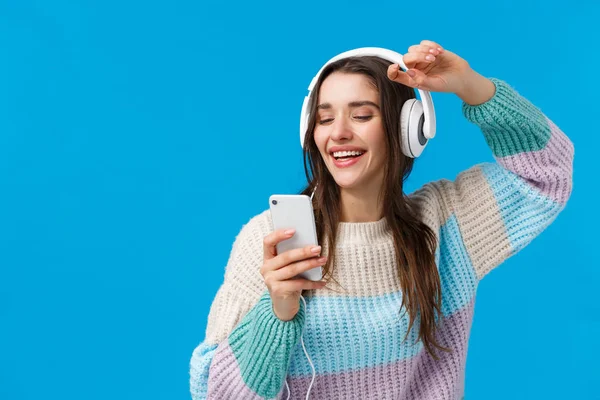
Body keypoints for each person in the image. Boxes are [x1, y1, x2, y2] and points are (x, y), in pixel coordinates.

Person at [189, 40, 574, 399]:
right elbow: (211, 391)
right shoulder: (272, 238)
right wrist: (278, 313)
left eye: (361, 115)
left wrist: (470, 85)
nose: (339, 133)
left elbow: (548, 172)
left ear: (408, 129)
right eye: (324, 120)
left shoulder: (445, 225)